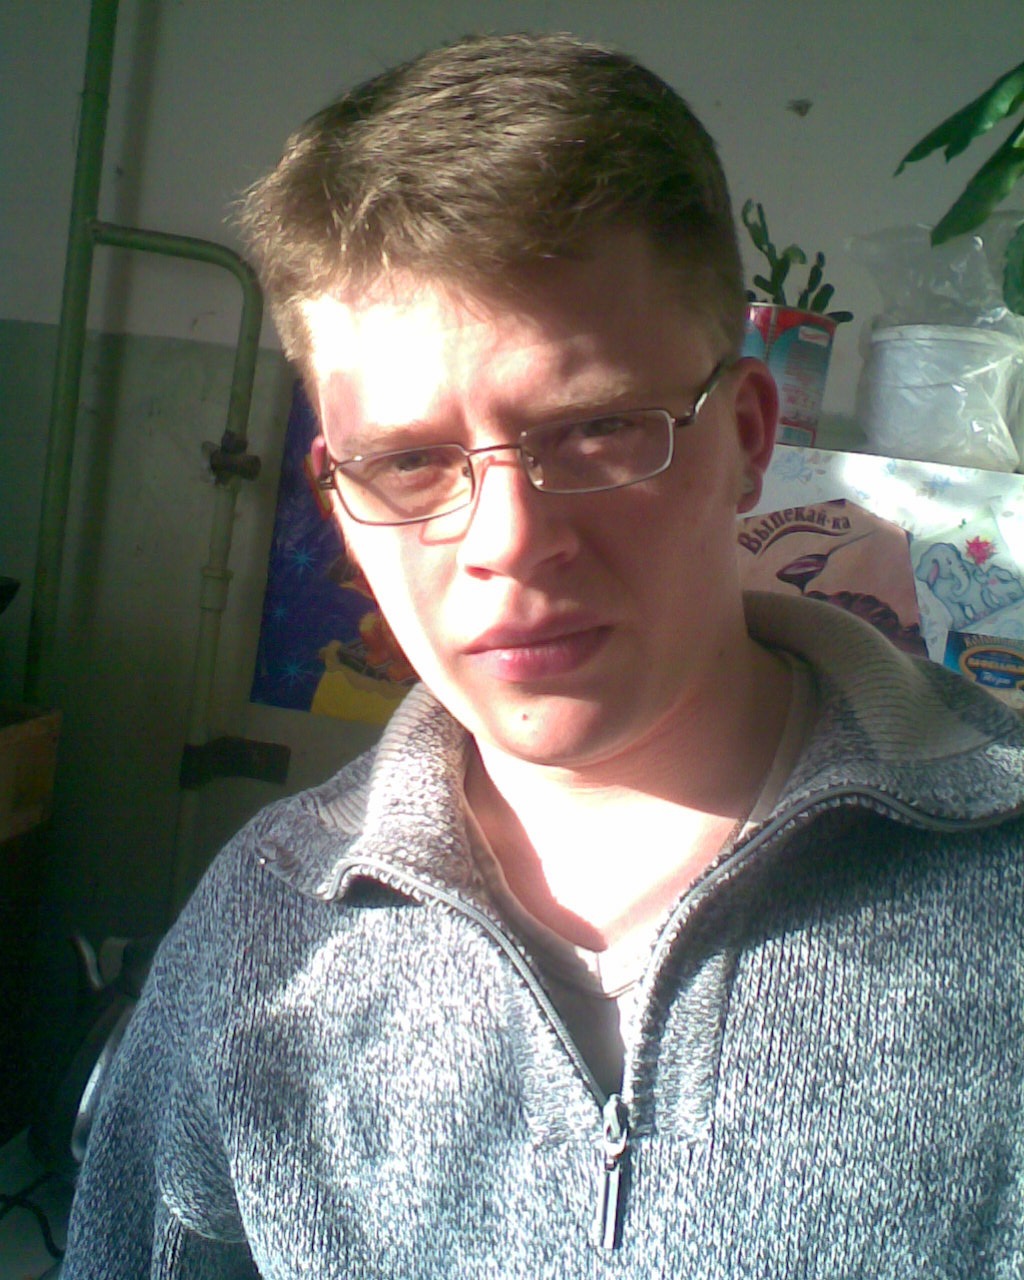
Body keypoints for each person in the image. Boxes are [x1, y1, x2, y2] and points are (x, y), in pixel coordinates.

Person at [63, 32, 1024, 1278]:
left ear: (746, 437)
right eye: (411, 460)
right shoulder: (263, 934)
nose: (508, 542)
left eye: (596, 430)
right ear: (340, 496)